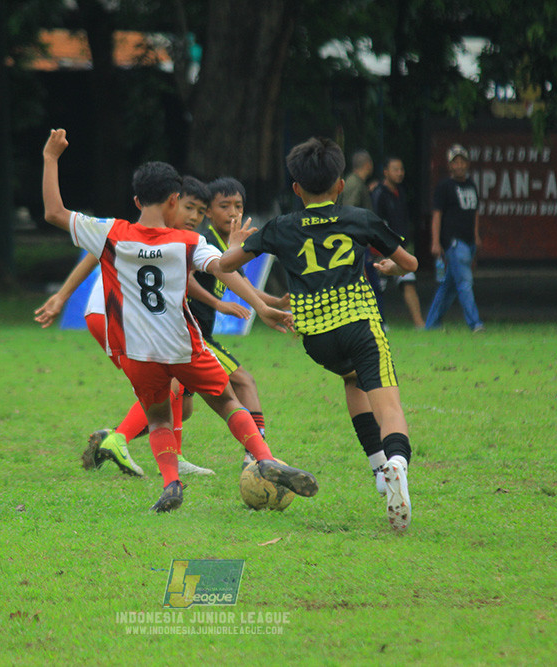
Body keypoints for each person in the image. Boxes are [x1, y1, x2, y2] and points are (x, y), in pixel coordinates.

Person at [41, 128, 319, 512]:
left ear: (137, 199)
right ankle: (264, 456)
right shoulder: (187, 242)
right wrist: (243, 262)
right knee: (225, 400)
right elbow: (223, 267)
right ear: (174, 200)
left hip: (137, 352)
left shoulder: (111, 233)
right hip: (183, 344)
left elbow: (54, 212)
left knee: (158, 417)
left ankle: (171, 483)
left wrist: (51, 158)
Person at [220, 136, 418, 531]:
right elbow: (409, 262)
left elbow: (225, 265)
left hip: (317, 339)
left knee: (351, 378)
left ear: (296, 189)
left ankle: (379, 469)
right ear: (340, 185)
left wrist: (233, 242)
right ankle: (396, 462)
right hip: (360, 325)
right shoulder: (359, 218)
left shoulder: (280, 227)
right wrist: (393, 269)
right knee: (389, 406)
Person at [34, 176, 222, 477]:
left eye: (200, 211)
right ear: (171, 201)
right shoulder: (150, 231)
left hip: (113, 316)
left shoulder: (173, 236)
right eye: (188, 207)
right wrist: (62, 295)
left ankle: (167, 453)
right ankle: (118, 439)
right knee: (167, 382)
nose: (193, 217)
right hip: (113, 315)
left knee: (179, 401)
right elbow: (96, 252)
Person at [187, 177, 290, 466]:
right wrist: (217, 303)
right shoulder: (204, 243)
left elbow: (245, 286)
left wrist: (275, 302)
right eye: (224, 206)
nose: (233, 213)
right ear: (207, 211)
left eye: (238, 206)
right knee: (242, 382)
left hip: (196, 334)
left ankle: (115, 438)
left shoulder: (226, 246)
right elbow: (185, 279)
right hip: (193, 334)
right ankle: (257, 452)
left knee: (178, 406)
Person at [424, 144, 485, 332]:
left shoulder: (471, 185)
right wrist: (435, 242)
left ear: (467, 163)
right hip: (454, 242)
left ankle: (432, 324)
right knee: (465, 282)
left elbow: (474, 212)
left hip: (468, 241)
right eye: (455, 162)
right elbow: (437, 215)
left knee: (449, 286)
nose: (459, 165)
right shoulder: (444, 187)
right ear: (449, 165)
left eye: (462, 161)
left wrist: (476, 236)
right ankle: (475, 323)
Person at [373, 156, 425, 328]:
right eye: (395, 169)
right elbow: (376, 223)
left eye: (401, 169)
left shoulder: (401, 192)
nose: (400, 173)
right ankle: (378, 322)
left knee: (408, 281)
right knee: (377, 287)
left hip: (400, 249)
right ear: (385, 172)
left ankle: (419, 324)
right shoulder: (379, 194)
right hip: (383, 249)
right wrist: (379, 247)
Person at [340, 149, 387, 326]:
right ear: (368, 165)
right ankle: (375, 320)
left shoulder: (354, 182)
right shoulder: (355, 184)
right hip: (356, 244)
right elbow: (350, 211)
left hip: (356, 243)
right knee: (369, 283)